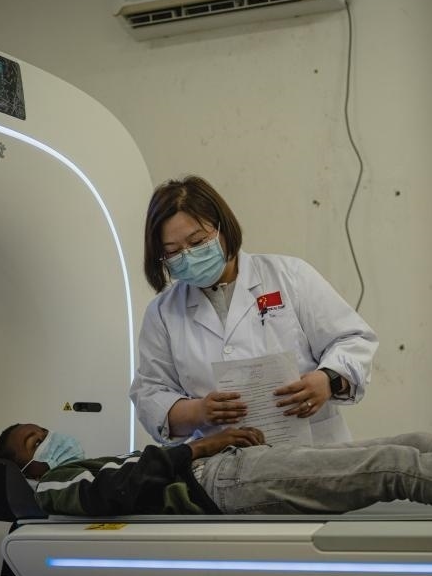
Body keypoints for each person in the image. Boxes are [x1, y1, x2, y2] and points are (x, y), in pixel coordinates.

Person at [0, 401, 432, 517]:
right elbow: (117, 487)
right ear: (25, 470)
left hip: (220, 470)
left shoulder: (70, 471)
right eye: (34, 439)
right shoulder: (45, 490)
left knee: (416, 441)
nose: (51, 435)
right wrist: (197, 446)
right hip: (217, 484)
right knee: (395, 467)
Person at [129, 175, 378, 445]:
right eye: (173, 251)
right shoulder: (163, 313)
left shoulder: (289, 276)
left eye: (198, 242)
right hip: (224, 462)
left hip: (314, 449)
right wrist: (198, 412)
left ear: (223, 229)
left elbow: (354, 340)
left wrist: (327, 380)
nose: (188, 257)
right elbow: (150, 394)